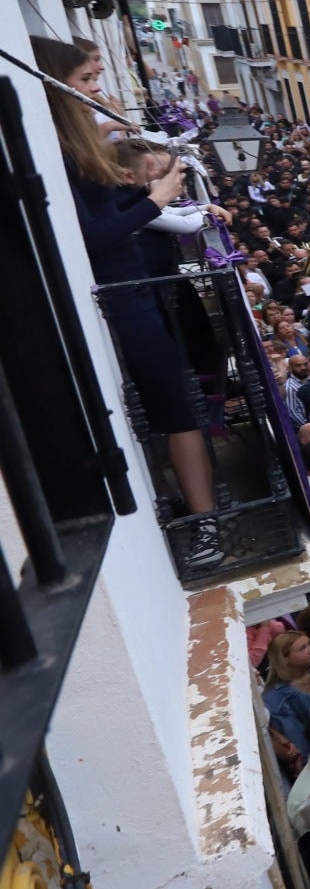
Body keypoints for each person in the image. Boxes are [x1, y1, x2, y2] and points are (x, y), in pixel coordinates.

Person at [35, 38, 220, 546]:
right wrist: (154, 197)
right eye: (87, 80)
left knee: (176, 404)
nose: (98, 88)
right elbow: (89, 236)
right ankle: (205, 525)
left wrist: (143, 191)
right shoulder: (60, 152)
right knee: (173, 408)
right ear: (54, 84)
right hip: (122, 293)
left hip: (135, 287)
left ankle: (201, 513)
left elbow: (107, 219)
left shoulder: (75, 146)